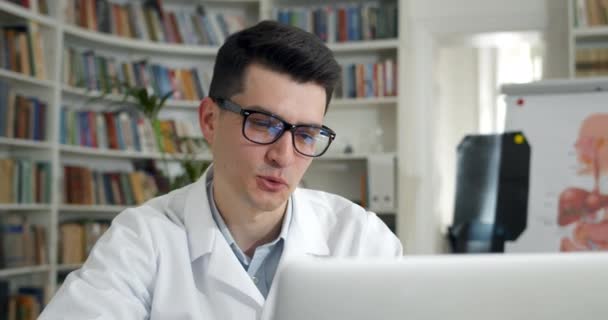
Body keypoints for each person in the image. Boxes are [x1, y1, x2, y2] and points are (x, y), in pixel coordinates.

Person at [39, 20, 402, 320]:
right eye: (263, 123)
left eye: (305, 134)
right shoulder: (141, 239)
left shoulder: (360, 240)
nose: (283, 156)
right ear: (210, 120)